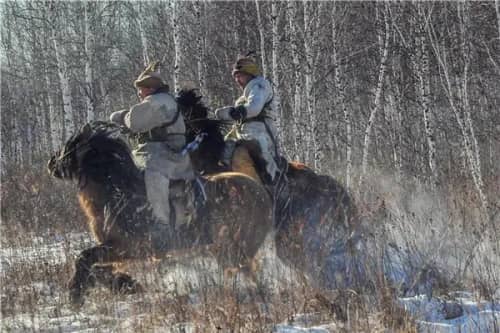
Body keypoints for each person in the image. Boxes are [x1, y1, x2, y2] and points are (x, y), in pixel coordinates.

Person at [110, 62, 194, 224]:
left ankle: (161, 223)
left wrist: (121, 117)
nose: (139, 94)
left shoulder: (156, 100)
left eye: (140, 89)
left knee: (153, 176)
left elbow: (135, 121)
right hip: (163, 150)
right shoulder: (163, 99)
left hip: (165, 152)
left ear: (149, 88)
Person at [214, 55, 280, 185]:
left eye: (240, 75)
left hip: (260, 130)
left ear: (250, 74)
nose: (237, 80)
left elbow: (254, 107)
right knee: (224, 149)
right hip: (242, 131)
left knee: (261, 154)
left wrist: (235, 112)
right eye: (236, 76)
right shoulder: (244, 96)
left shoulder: (259, 86)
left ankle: (273, 184)